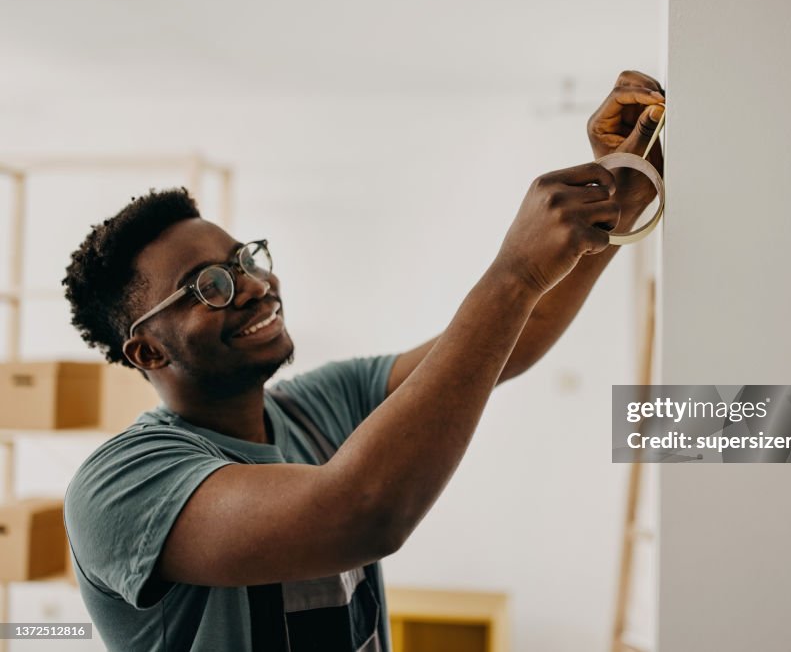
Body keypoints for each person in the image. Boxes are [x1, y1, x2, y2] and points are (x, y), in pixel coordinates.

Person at [62, 71, 665, 652]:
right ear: (147, 350)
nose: (251, 285)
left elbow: (515, 336)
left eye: (244, 259)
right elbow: (360, 514)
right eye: (209, 286)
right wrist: (514, 271)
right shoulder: (121, 484)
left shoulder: (323, 402)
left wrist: (617, 199)